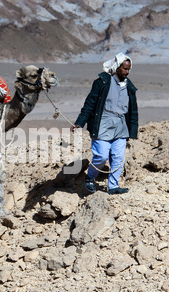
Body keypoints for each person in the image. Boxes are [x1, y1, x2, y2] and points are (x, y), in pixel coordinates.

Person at [71, 52, 139, 194]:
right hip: (103, 123)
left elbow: (133, 111)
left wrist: (132, 131)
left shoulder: (129, 87)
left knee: (119, 157)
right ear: (116, 67)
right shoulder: (102, 82)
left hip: (121, 125)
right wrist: (79, 122)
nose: (127, 72)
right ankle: (90, 177)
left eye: (129, 69)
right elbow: (90, 104)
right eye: (124, 68)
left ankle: (113, 186)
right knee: (101, 156)